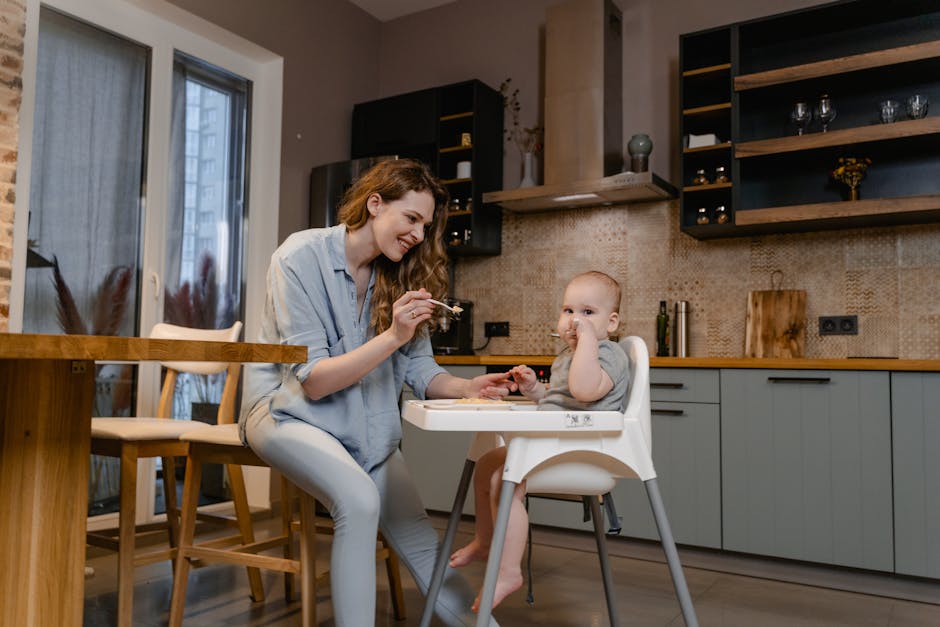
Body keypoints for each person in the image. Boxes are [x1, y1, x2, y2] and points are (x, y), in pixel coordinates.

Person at [239, 158, 514, 626]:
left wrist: (469, 386)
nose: (418, 235)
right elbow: (314, 379)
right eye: (411, 218)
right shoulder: (299, 257)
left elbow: (422, 373)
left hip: (368, 431)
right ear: (374, 204)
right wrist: (394, 335)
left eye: (425, 226)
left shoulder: (401, 275)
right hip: (288, 415)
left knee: (422, 541)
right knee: (360, 499)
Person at [448, 270, 630, 611]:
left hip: (587, 452)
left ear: (612, 322)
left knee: (503, 477)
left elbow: (585, 390)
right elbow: (562, 399)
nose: (576, 321)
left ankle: (508, 571)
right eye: (568, 311)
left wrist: (588, 341)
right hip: (560, 443)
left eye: (588, 313)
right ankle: (486, 541)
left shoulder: (608, 355)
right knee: (487, 462)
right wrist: (535, 389)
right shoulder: (568, 357)